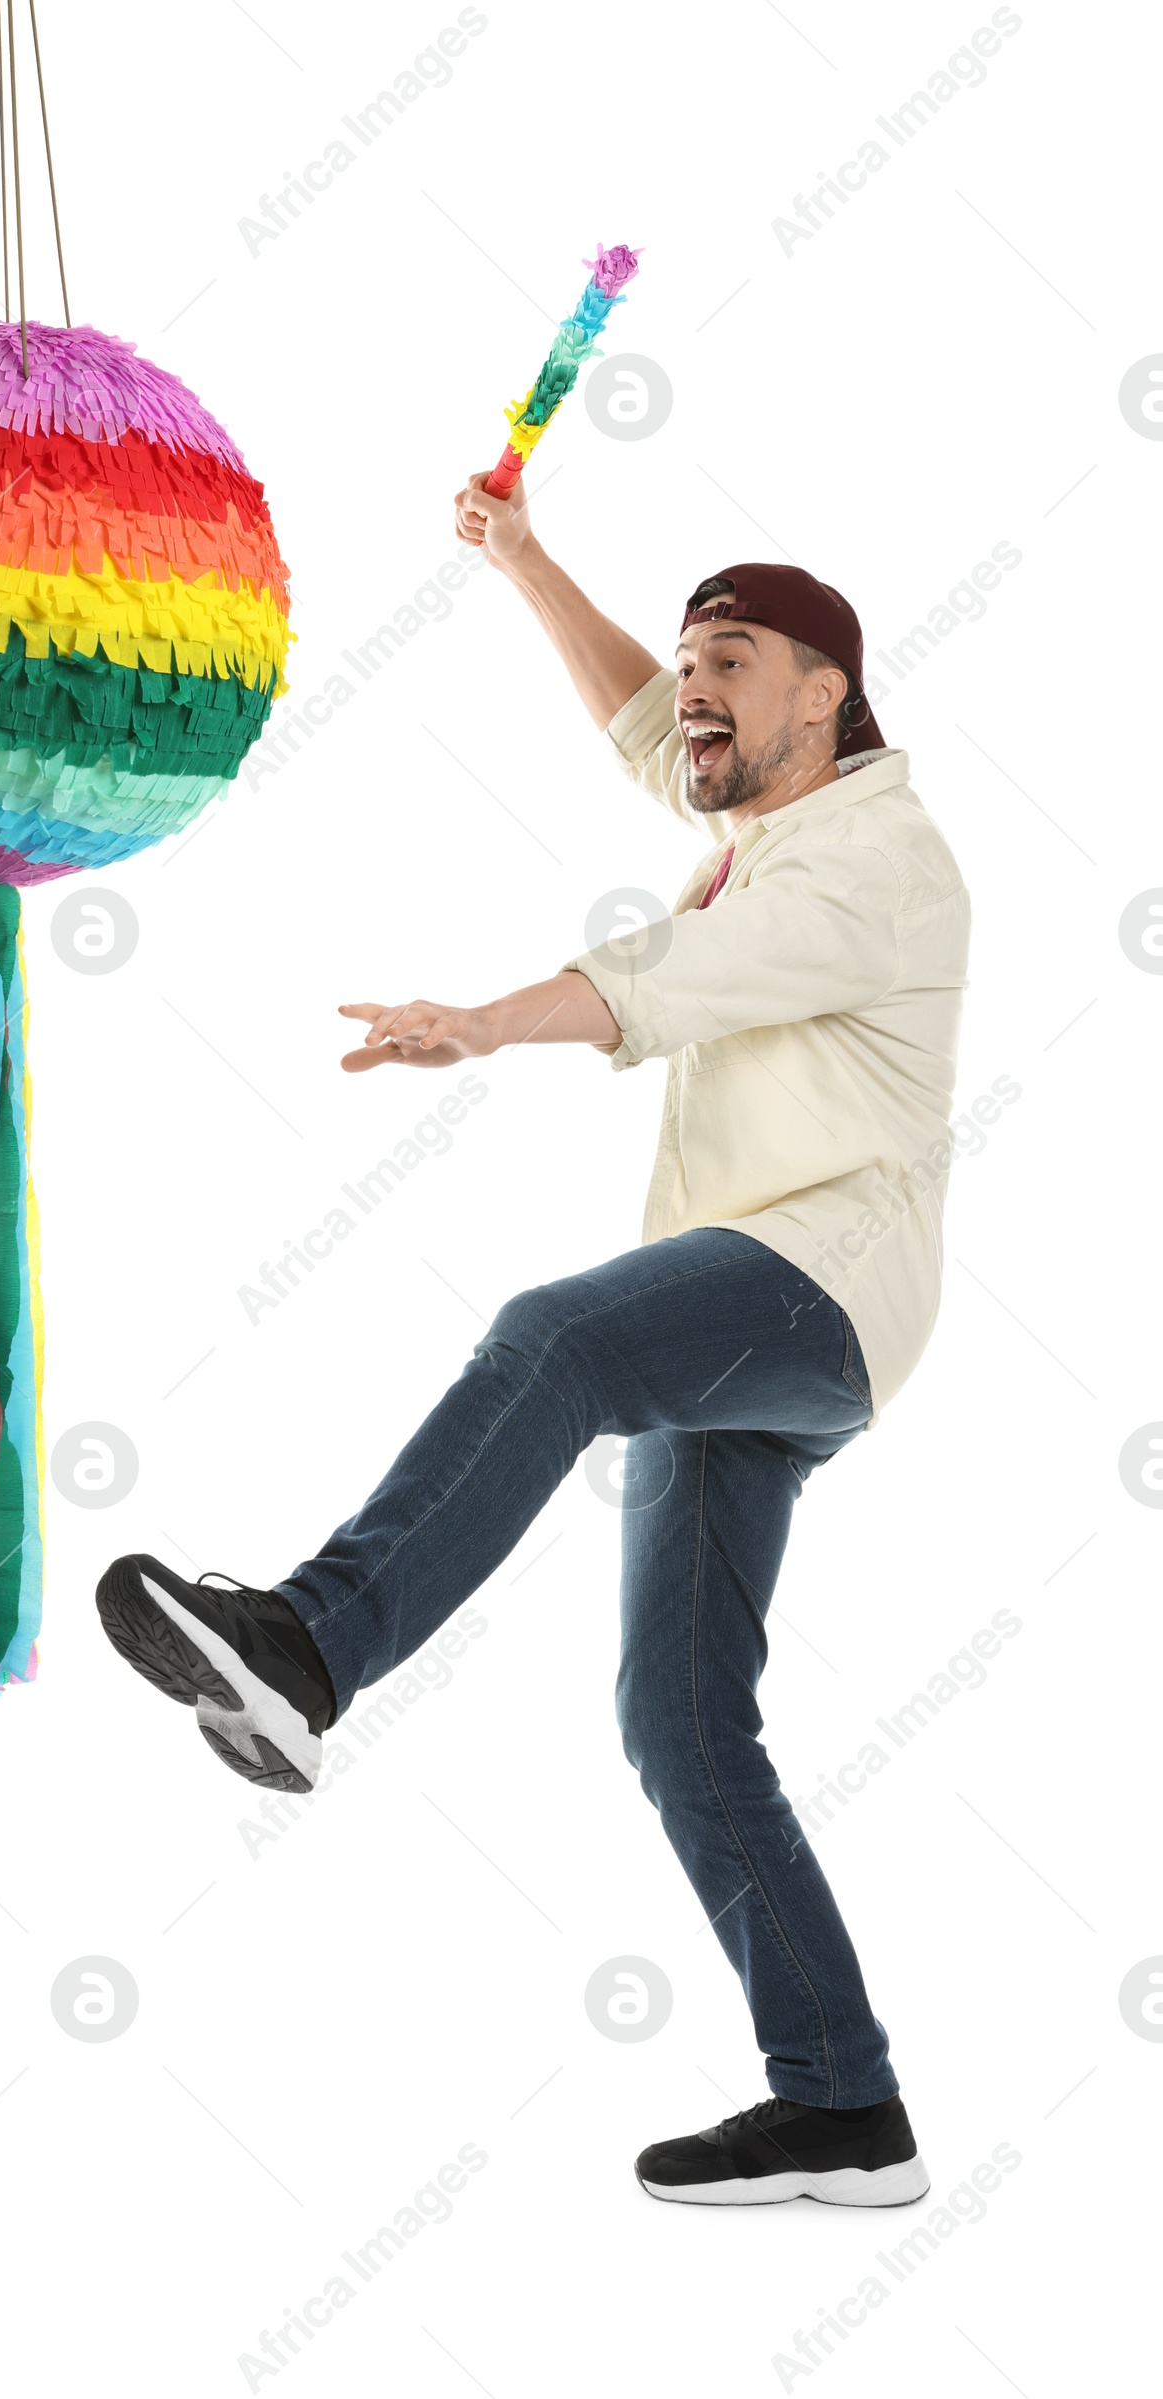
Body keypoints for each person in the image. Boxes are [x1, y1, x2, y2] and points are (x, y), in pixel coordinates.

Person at [96, 468, 970, 2209]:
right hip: (747, 1304)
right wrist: (521, 558)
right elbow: (652, 737)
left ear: (830, 693)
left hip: (819, 1279)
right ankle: (845, 2107)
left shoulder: (874, 861)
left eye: (733, 655)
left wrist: (480, 1024)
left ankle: (313, 1645)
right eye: (693, 655)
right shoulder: (765, 815)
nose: (696, 685)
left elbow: (668, 980)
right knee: (683, 1724)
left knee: (551, 1342)